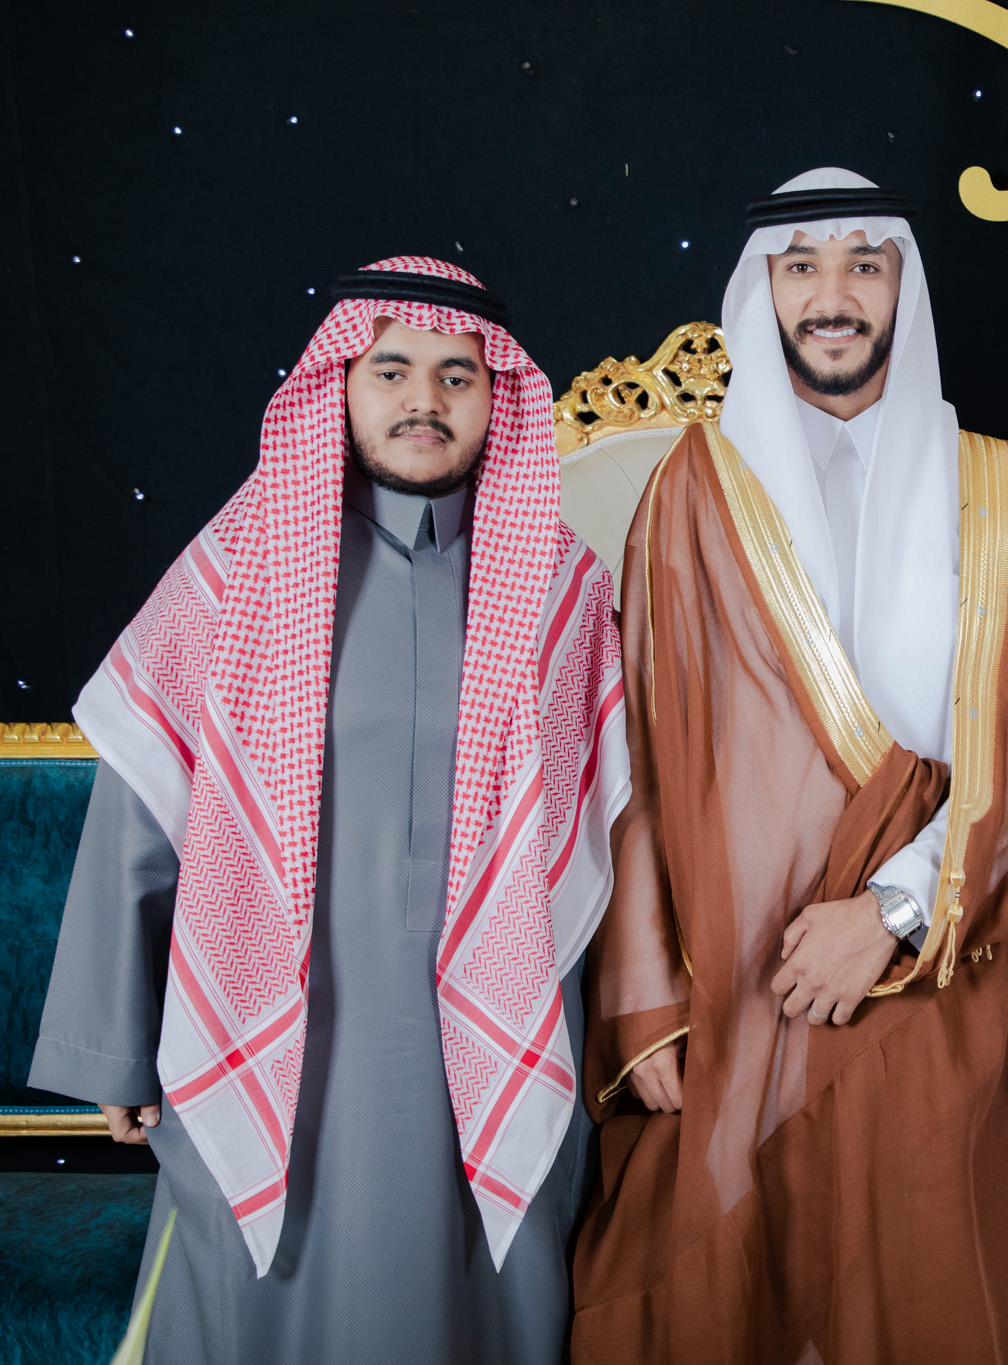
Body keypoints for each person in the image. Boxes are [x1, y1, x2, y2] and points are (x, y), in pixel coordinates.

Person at [28, 258, 629, 1361]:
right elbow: (140, 808)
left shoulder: (565, 594)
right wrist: (112, 1045)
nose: (423, 400)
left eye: (457, 376)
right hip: (284, 1039)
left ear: (496, 397)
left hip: (501, 1042)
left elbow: (618, 841)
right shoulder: (239, 572)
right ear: (339, 386)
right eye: (391, 370)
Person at [569, 168, 1008, 1364]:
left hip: (940, 969)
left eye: (863, 264)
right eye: (800, 266)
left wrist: (891, 913)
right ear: (763, 291)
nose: (832, 294)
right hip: (732, 984)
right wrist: (645, 1005)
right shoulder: (689, 493)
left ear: (905, 286)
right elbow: (634, 762)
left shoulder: (997, 487)